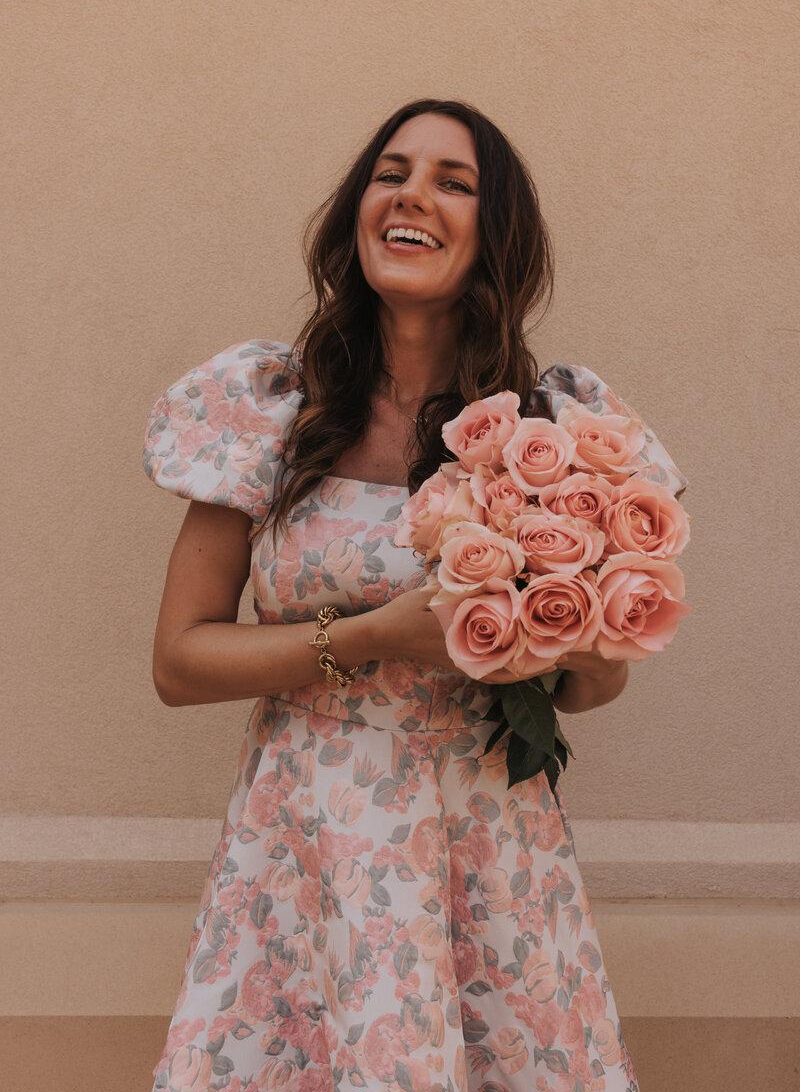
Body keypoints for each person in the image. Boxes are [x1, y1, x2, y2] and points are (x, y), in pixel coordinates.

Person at [143, 99, 686, 1092]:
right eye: (390, 173)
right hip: (306, 853)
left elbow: (592, 687)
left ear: (494, 233)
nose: (411, 197)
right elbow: (178, 660)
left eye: (452, 181)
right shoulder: (270, 411)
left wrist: (557, 637)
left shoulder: (550, 433)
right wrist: (374, 636)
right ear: (358, 210)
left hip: (484, 851)